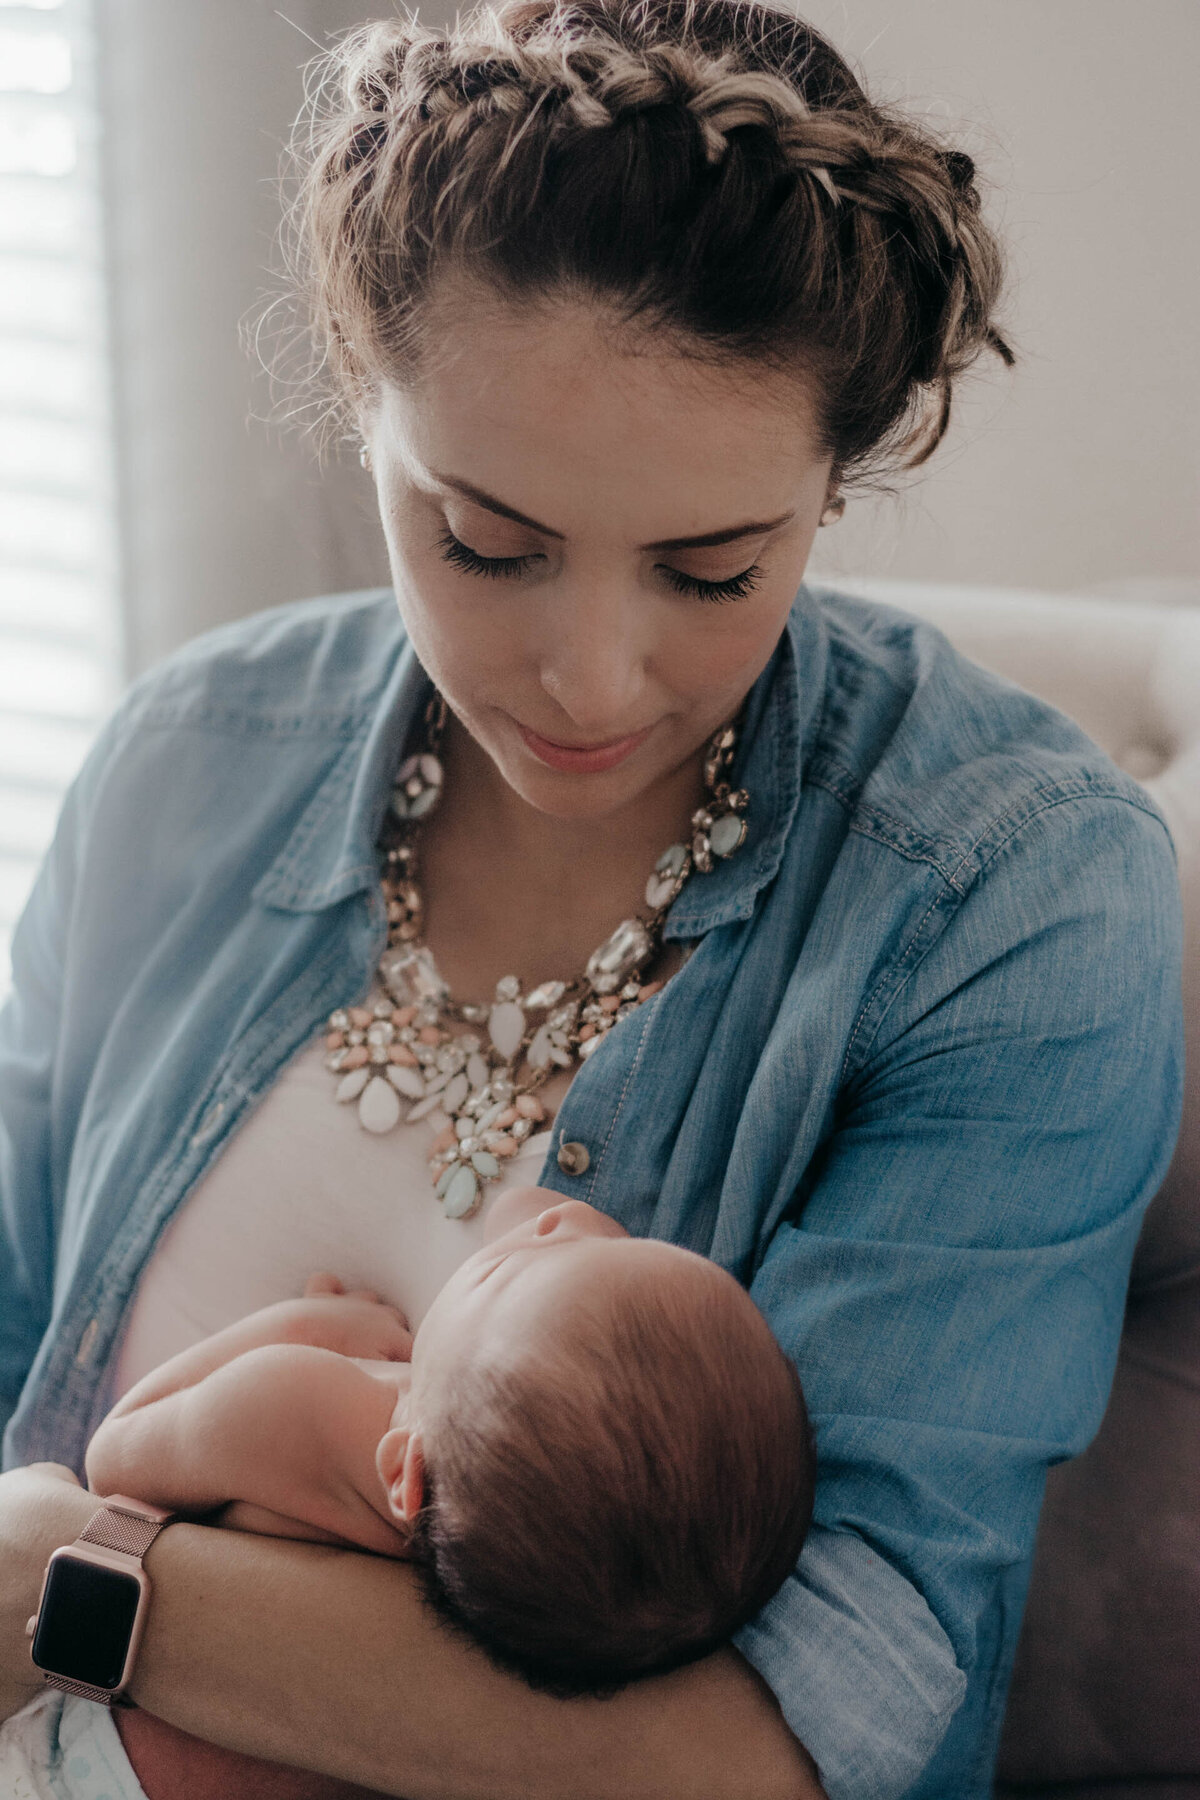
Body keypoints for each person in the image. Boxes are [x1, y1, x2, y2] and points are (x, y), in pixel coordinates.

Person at [0, 0, 1184, 1796]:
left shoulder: (1008, 901)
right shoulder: (191, 755)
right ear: (360, 397)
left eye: (714, 571)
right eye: (487, 542)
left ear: (832, 484)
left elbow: (791, 1746)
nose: (591, 678)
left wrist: (75, 1594)